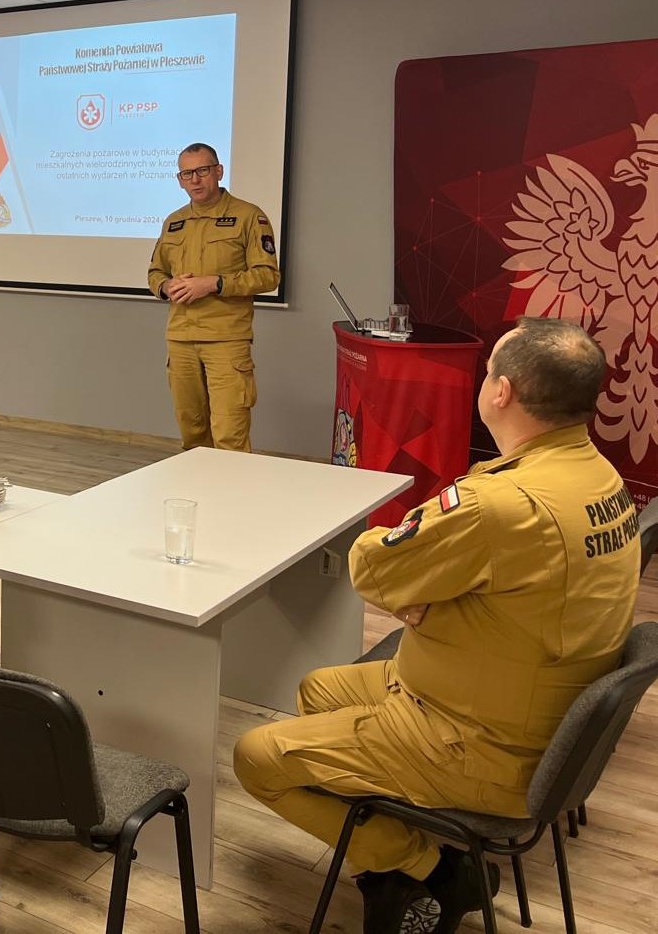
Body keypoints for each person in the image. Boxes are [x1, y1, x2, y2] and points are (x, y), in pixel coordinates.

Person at [233, 318, 638, 934]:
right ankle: (387, 869)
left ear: (501, 392)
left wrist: (419, 588)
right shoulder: (597, 476)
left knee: (257, 757)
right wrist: (430, 591)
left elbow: (372, 564)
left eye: (489, 369)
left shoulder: (501, 504)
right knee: (319, 689)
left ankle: (435, 869)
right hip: (523, 706)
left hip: (481, 742)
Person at [146, 143, 279, 453]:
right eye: (187, 174)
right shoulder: (173, 221)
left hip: (226, 340)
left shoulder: (248, 216)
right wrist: (166, 286)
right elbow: (155, 273)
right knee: (192, 436)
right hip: (180, 339)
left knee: (229, 437)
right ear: (179, 179)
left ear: (219, 171)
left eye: (203, 171)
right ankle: (196, 487)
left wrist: (214, 283)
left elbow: (268, 275)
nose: (195, 180)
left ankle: (233, 488)